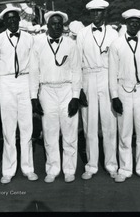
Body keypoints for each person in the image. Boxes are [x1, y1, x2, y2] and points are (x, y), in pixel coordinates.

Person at [31, 11, 81, 183]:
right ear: (47, 25)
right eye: (54, 23)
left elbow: (76, 71)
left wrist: (75, 97)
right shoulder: (37, 44)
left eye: (60, 24)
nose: (57, 26)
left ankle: (69, 169)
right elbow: (34, 71)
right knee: (50, 132)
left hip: (66, 89)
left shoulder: (71, 44)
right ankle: (52, 168)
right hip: (46, 91)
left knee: (69, 131)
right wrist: (34, 97)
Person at [0, 6, 38, 184]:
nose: (12, 22)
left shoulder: (29, 39)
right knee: (8, 129)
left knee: (27, 127)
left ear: (19, 20)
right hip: (6, 82)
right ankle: (8, 170)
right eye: (8, 19)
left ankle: (28, 168)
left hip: (25, 81)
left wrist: (34, 94)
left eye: (14, 18)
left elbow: (34, 67)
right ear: (5, 22)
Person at [109, 9, 140, 183]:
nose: (134, 25)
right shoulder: (116, 45)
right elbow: (112, 73)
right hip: (124, 91)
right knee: (125, 131)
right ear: (126, 24)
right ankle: (125, 168)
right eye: (131, 23)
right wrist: (114, 97)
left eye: (137, 23)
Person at [76, 0, 119, 180]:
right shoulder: (83, 34)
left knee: (109, 124)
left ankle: (111, 164)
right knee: (89, 124)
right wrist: (79, 89)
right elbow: (77, 62)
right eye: (93, 12)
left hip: (107, 76)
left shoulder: (114, 33)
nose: (96, 15)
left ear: (105, 13)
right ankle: (91, 165)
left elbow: (118, 60)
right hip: (88, 77)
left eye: (99, 12)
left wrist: (115, 89)